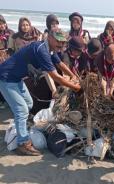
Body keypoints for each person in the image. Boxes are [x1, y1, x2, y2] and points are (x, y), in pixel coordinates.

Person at [0, 28, 81, 156]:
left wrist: (74, 77)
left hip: (17, 78)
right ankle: (23, 143)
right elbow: (56, 76)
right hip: (6, 78)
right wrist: (75, 87)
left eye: (63, 42)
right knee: (21, 110)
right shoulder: (41, 50)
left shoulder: (50, 49)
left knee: (29, 103)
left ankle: (21, 129)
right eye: (58, 42)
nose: (61, 45)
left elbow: (60, 64)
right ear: (49, 37)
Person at [0, 15, 14, 109]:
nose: (2, 25)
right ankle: (2, 100)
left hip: (9, 58)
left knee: (8, 79)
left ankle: (8, 100)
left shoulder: (11, 33)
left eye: (3, 23)